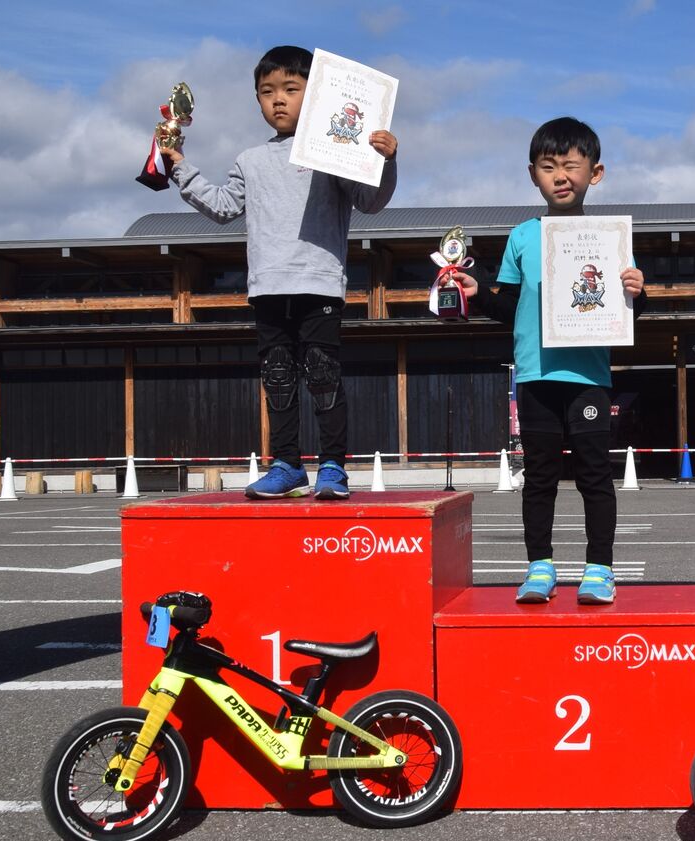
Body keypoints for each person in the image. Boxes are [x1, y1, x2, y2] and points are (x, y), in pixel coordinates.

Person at [162, 46, 398, 500]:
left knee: (322, 374)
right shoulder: (249, 160)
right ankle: (287, 464)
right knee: (277, 376)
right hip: (268, 285)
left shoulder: (335, 152)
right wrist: (180, 168)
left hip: (318, 282)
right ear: (257, 100)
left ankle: (333, 466)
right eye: (267, 91)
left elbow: (370, 201)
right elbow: (223, 207)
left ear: (316, 94)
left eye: (291, 89)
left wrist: (385, 161)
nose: (278, 100)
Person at [451, 117, 646, 605]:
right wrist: (478, 294)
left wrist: (638, 293)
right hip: (535, 373)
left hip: (588, 375)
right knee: (538, 476)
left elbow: (624, 311)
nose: (560, 176)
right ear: (532, 174)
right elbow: (508, 307)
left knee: (595, 475)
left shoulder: (609, 237)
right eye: (548, 166)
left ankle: (600, 569)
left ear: (595, 173)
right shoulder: (522, 236)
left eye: (571, 166)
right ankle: (539, 566)